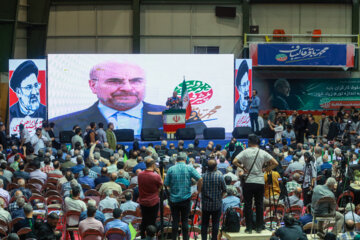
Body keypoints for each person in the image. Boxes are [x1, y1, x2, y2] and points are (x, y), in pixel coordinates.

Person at [233, 134, 278, 234]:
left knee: (248, 205)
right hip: (260, 182)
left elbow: (234, 161)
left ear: (249, 142)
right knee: (259, 205)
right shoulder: (262, 152)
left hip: (248, 181)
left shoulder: (245, 152)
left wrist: (243, 168)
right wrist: (265, 170)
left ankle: (248, 228)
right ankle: (259, 227)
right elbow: (275, 163)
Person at [164, 152, 202, 240]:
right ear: (185, 160)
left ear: (176, 160)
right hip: (186, 199)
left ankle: (174, 238)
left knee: (175, 222)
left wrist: (172, 190)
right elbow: (200, 179)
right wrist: (198, 191)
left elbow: (166, 184)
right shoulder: (189, 168)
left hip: (174, 200)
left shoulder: (171, 169)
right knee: (185, 221)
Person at [199, 159, 226, 240]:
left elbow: (199, 189)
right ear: (215, 167)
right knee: (215, 224)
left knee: (204, 224)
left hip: (205, 204)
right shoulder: (219, 176)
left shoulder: (202, 177)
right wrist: (220, 197)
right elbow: (224, 190)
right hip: (216, 204)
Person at [138, 157, 163, 238]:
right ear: (153, 165)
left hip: (143, 202)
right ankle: (152, 237)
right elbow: (161, 185)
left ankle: (143, 237)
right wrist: (159, 173)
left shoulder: (140, 174)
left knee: (144, 220)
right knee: (152, 221)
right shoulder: (156, 176)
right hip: (153, 202)